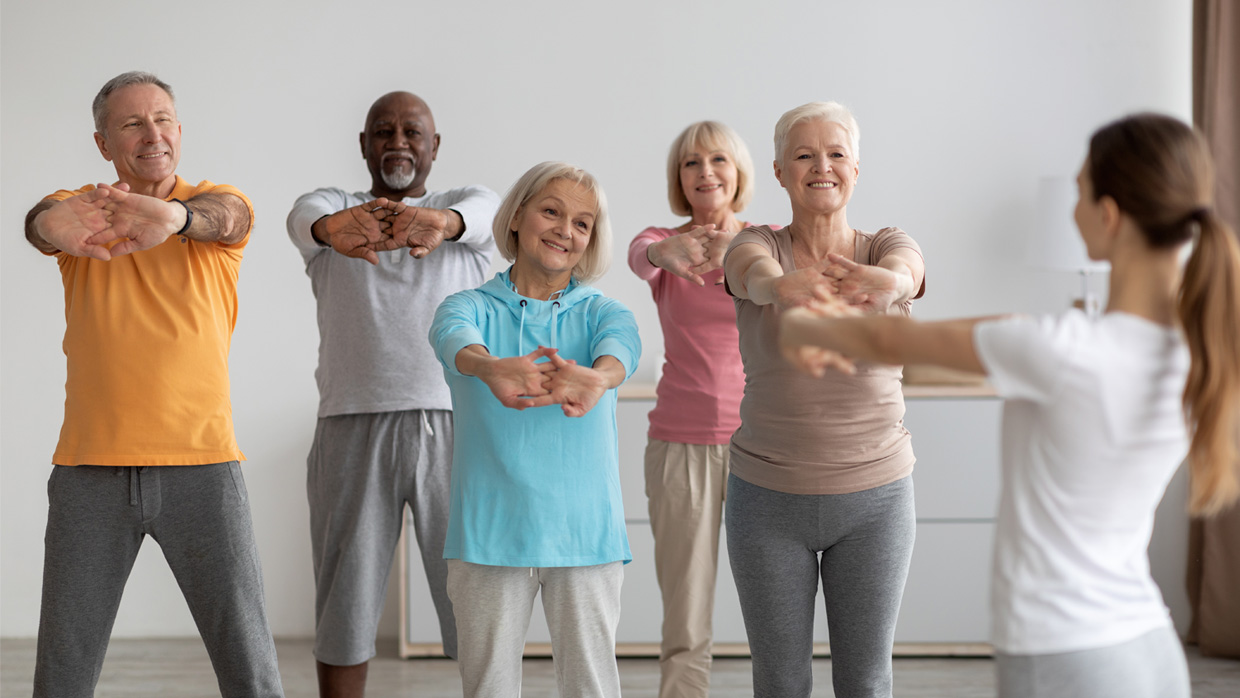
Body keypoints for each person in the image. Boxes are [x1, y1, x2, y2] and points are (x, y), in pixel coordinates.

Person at [779, 112, 1240, 698]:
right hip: (1149, 648)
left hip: (1067, 656)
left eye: (1079, 191)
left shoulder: (1061, 350)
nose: (1073, 209)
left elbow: (888, 338)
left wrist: (801, 330)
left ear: (1109, 215)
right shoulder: (1200, 350)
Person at [22, 71, 283, 698]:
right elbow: (42, 221)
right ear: (103, 142)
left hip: (204, 464)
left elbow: (230, 216)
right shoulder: (84, 211)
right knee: (63, 669)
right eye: (132, 123)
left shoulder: (214, 206)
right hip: (91, 469)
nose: (152, 133)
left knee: (249, 666)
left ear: (180, 130)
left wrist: (174, 216)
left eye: (162, 118)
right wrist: (43, 226)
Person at [286, 91, 498, 698]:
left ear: (435, 147)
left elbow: (488, 212)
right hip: (351, 425)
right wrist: (332, 230)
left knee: (475, 595)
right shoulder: (333, 214)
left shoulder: (462, 213)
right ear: (363, 145)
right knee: (345, 599)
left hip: (457, 427)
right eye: (383, 131)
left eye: (412, 131)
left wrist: (443, 224)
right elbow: (302, 216)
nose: (398, 141)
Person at [721, 101, 926, 698]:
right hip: (766, 499)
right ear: (781, 172)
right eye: (805, 155)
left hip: (876, 500)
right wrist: (780, 287)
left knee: (865, 681)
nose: (823, 166)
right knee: (781, 682)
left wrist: (890, 283)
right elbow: (748, 273)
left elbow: (908, 268)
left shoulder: (884, 245)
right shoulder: (756, 244)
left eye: (836, 153)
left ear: (856, 169)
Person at [429, 162, 640, 698]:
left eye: (582, 223)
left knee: (592, 688)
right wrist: (492, 366)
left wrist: (598, 378)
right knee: (488, 690)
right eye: (551, 211)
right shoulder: (468, 305)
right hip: (488, 533)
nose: (565, 230)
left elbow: (622, 350)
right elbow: (453, 337)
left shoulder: (602, 313)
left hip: (585, 535)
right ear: (518, 215)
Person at [626, 120, 755, 698]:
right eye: (691, 163)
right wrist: (665, 250)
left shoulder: (768, 240)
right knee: (686, 608)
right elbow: (639, 255)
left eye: (718, 160)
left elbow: (793, 280)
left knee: (778, 604)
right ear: (680, 178)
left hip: (764, 444)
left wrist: (741, 253)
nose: (706, 172)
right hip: (680, 443)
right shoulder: (662, 242)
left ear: (739, 172)